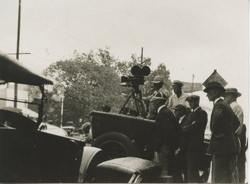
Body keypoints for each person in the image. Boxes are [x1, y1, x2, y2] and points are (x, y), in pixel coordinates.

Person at [203, 82, 238, 183]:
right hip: (227, 148)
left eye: (209, 92)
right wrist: (228, 134)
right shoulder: (226, 105)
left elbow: (215, 126)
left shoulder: (218, 106)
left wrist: (220, 137)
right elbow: (236, 122)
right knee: (225, 175)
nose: (207, 95)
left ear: (216, 93)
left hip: (220, 149)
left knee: (218, 177)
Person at [148, 92, 181, 182]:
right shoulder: (167, 112)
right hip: (166, 146)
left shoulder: (163, 113)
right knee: (165, 170)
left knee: (162, 171)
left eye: (154, 102)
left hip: (163, 147)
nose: (153, 104)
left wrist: (163, 146)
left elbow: (168, 130)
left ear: (158, 102)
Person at [180, 95, 208, 182]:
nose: (190, 104)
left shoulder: (202, 113)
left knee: (192, 170)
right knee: (186, 170)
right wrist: (187, 127)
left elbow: (194, 127)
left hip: (194, 147)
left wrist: (187, 127)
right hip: (187, 146)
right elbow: (183, 126)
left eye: (191, 102)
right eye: (189, 102)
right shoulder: (190, 114)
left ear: (197, 102)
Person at [223, 88, 246, 183]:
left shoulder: (233, 107)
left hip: (231, 139)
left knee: (230, 168)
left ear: (231, 96)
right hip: (233, 139)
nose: (224, 98)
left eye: (225, 96)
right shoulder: (235, 107)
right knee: (231, 167)